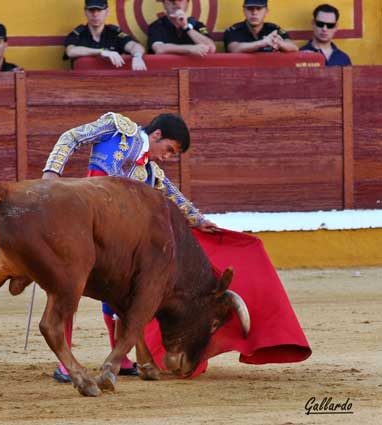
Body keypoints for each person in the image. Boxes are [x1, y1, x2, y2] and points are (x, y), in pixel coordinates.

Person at [42, 112, 311, 382]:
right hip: (86, 226)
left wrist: (199, 221)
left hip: (116, 244)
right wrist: (52, 173)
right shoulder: (118, 128)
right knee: (68, 291)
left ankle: (121, 359)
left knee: (120, 297)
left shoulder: (150, 172)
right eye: (169, 149)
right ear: (156, 135)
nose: (167, 157)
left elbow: (175, 198)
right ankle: (66, 365)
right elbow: (71, 137)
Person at [64, 0, 147, 71]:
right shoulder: (78, 33)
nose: (95, 14)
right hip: (82, 83)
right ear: (85, 12)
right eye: (91, 10)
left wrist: (137, 56)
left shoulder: (114, 33)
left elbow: (134, 46)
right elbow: (70, 51)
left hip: (112, 83)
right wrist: (101, 51)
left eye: (99, 10)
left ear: (107, 12)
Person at [224, 0, 298, 53]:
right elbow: (234, 49)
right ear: (244, 11)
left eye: (259, 9)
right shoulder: (234, 30)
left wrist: (279, 42)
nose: (254, 13)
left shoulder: (273, 29)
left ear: (266, 12)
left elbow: (294, 47)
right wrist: (263, 43)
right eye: (250, 8)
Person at [148, 0, 216, 55]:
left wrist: (186, 27)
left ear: (187, 3)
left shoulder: (197, 25)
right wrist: (190, 49)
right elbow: (159, 49)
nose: (176, 3)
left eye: (180, 0)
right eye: (171, 0)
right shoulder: (157, 26)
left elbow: (211, 48)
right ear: (164, 3)